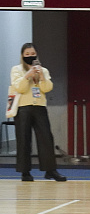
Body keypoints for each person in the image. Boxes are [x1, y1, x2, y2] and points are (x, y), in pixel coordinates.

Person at [11, 43, 66, 182]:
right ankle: (25, 172)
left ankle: (50, 170)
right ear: (22, 55)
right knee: (24, 139)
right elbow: (19, 88)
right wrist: (28, 75)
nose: (30, 56)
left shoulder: (43, 70)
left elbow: (47, 88)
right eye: (27, 54)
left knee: (46, 138)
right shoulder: (16, 70)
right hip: (22, 108)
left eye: (32, 54)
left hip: (39, 107)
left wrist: (41, 76)